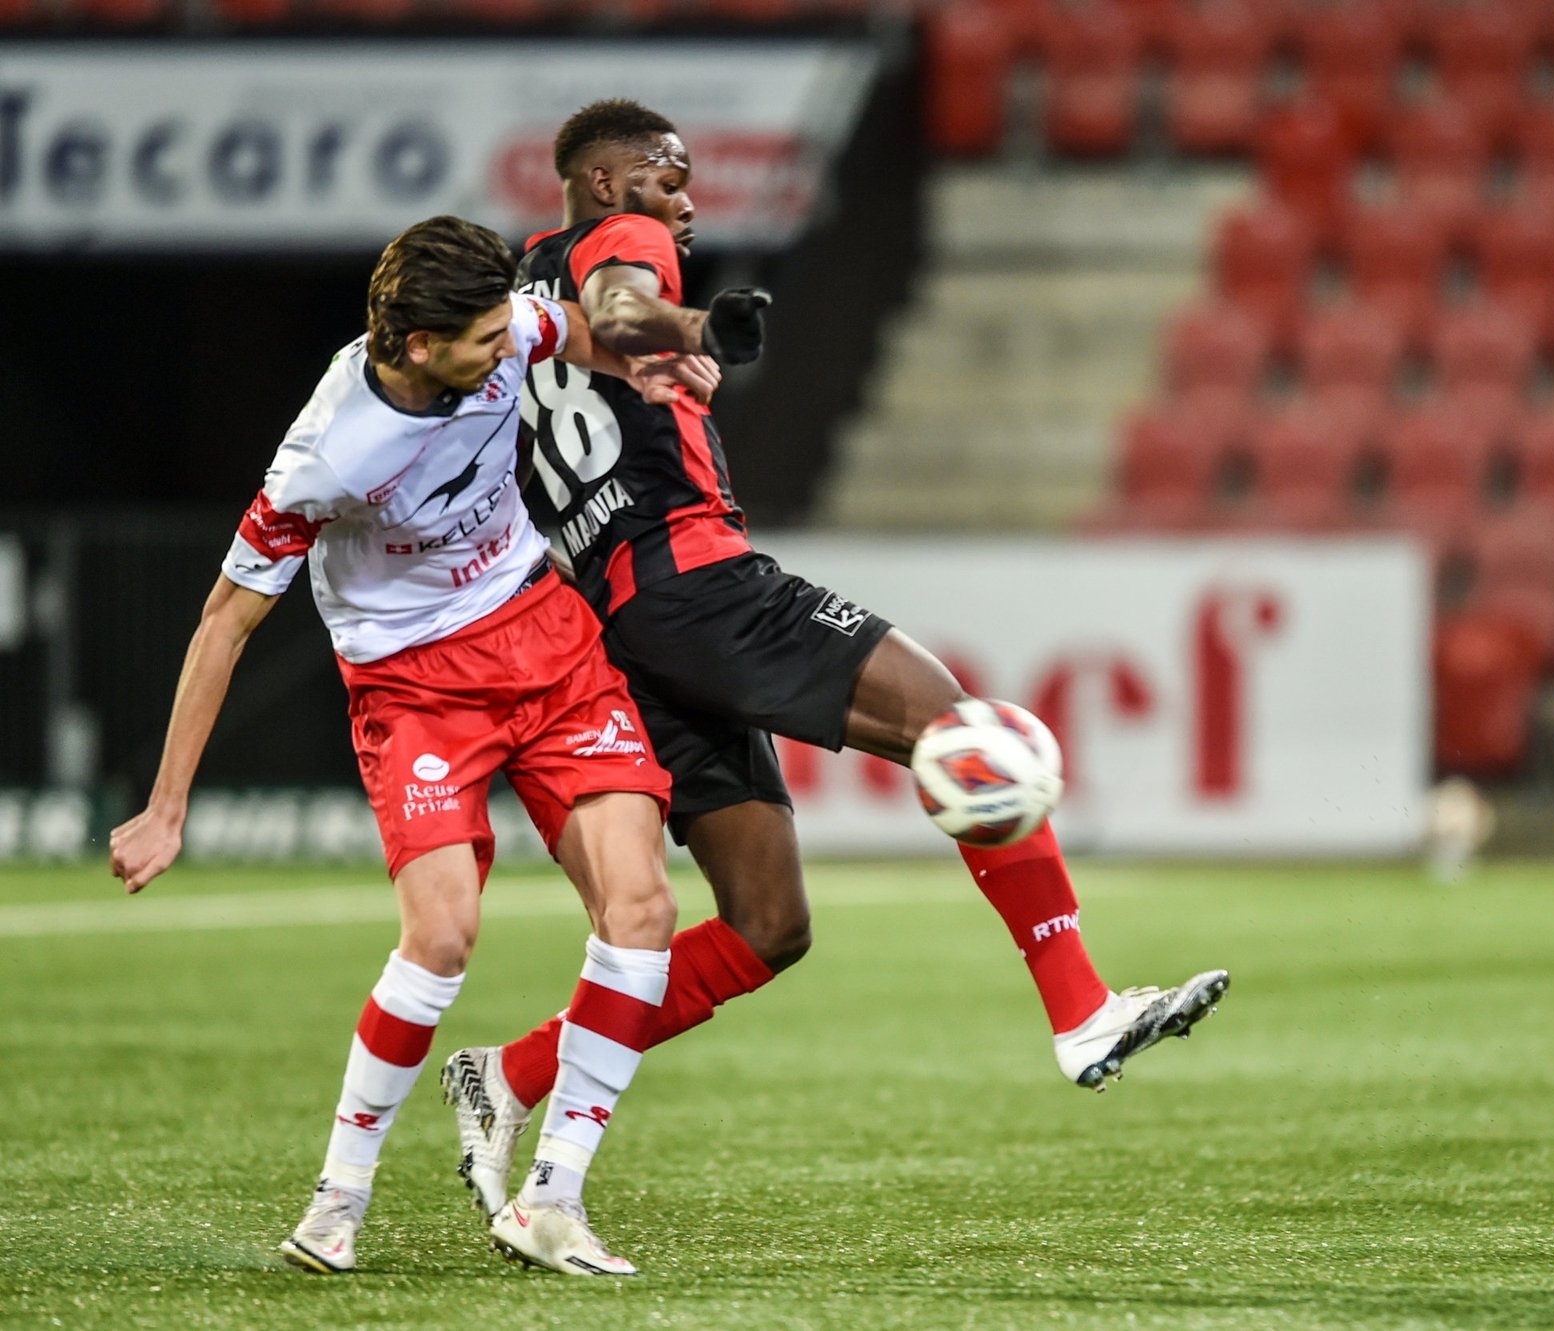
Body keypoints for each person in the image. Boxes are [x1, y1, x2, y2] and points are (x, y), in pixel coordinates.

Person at [439, 100, 1229, 1219]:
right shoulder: (621, 250)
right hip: (698, 582)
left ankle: (507, 1074)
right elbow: (622, 300)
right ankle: (1079, 1006)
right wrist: (688, 326)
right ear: (609, 188)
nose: (687, 199)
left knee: (767, 924)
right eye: (668, 179)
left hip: (620, 630)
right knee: (957, 722)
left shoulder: (511, 304)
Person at [108, 215, 768, 1275]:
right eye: (484, 336)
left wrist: (681, 340)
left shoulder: (499, 333)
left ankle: (553, 1194)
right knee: (444, 936)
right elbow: (226, 617)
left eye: (509, 322)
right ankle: (338, 1197)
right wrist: (167, 804)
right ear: (416, 344)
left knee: (642, 907)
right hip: (414, 687)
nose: (510, 343)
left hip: (544, 638)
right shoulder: (327, 456)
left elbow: (584, 333)